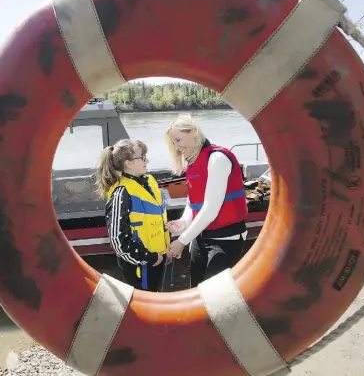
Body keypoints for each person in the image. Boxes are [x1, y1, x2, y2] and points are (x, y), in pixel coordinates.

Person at [164, 114, 248, 287]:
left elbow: (210, 208)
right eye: (173, 142)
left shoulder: (217, 158)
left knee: (214, 295)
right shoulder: (192, 163)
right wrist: (184, 222)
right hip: (200, 240)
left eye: (178, 140)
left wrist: (182, 241)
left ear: (193, 133)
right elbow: (192, 201)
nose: (177, 146)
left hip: (226, 239)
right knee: (197, 291)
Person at [94, 138, 170, 291]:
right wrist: (148, 258)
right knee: (146, 307)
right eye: (142, 157)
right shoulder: (121, 192)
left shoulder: (149, 181)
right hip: (140, 265)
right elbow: (118, 241)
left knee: (157, 300)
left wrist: (164, 251)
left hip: (159, 257)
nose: (146, 160)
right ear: (128, 163)